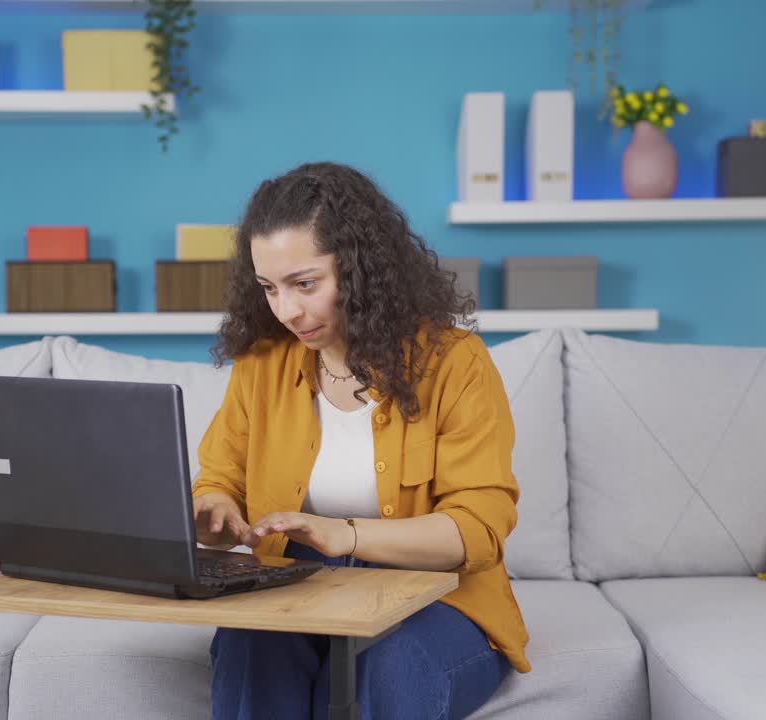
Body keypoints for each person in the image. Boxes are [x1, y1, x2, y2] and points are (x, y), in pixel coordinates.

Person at [191, 161, 530, 720]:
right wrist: (215, 508)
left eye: (305, 284)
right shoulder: (262, 365)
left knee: (389, 664)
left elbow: (478, 529)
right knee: (250, 642)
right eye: (269, 288)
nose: (287, 310)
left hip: (436, 597)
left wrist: (344, 534)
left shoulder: (455, 363)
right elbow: (218, 476)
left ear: (360, 268)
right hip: (296, 582)